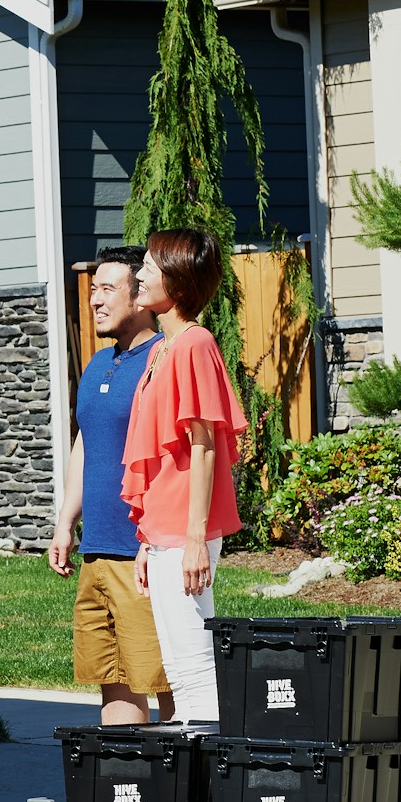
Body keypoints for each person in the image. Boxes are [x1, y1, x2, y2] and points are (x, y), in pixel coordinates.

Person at [122, 227, 248, 724]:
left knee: (195, 662)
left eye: (150, 266)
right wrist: (147, 541)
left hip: (187, 528)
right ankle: (187, 774)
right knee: (176, 664)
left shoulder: (195, 343)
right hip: (165, 530)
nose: (139, 273)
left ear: (175, 282)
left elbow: (204, 444)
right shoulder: (159, 350)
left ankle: (210, 777)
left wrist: (196, 537)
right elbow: (159, 455)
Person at [49, 246, 171, 724]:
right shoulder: (100, 363)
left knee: (164, 680)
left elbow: (175, 457)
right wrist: (66, 520)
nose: (95, 300)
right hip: (97, 551)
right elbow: (87, 442)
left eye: (107, 289)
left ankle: (181, 788)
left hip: (142, 554)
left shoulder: (162, 360)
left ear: (140, 296)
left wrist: (152, 538)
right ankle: (129, 788)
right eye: (93, 289)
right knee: (114, 678)